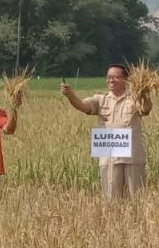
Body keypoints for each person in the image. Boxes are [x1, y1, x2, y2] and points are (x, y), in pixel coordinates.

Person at [61, 64, 152, 198]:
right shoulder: (101, 99)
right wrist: (70, 95)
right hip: (109, 158)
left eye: (116, 77)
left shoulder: (135, 98)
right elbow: (82, 106)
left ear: (126, 79)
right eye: (109, 77)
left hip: (132, 157)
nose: (111, 80)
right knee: (111, 200)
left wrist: (143, 91)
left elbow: (145, 109)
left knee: (136, 198)